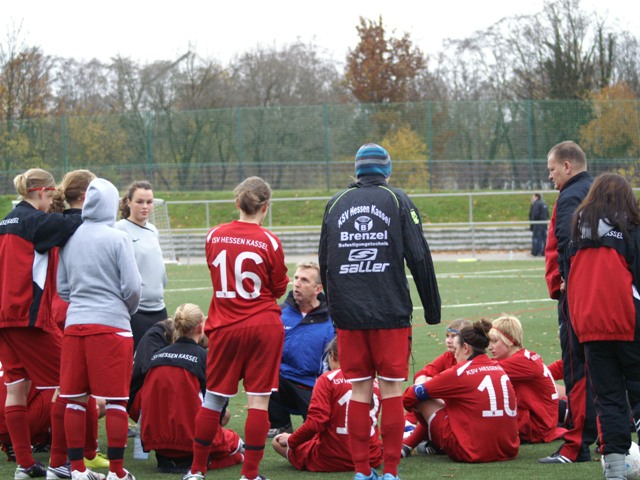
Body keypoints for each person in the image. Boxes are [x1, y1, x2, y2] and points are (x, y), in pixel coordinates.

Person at [318, 143, 441, 480]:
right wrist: (432, 310)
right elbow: (420, 257)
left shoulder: (336, 203)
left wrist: (335, 307)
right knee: (389, 391)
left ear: (357, 170)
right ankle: (389, 472)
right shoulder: (398, 199)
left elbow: (324, 262)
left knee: (358, 391)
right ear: (386, 170)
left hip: (349, 317)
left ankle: (361, 471)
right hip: (390, 313)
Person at [184, 176, 289, 480]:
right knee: (258, 401)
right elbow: (279, 286)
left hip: (225, 326)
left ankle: (196, 471)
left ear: (237, 203)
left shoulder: (214, 235)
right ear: (265, 207)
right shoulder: (269, 241)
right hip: (262, 326)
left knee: (214, 398)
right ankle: (250, 475)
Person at [0, 168, 82, 479]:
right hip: (27, 318)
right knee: (71, 382)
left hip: (4, 318)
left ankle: (25, 463)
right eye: (52, 196)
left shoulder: (5, 220)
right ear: (42, 192)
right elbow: (74, 221)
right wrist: (76, 204)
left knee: (15, 389)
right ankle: (59, 462)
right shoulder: (36, 221)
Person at [57, 178, 141, 480]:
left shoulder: (71, 236)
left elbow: (62, 288)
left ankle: (77, 469)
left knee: (75, 399)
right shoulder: (117, 237)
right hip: (112, 327)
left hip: (76, 326)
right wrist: (123, 310)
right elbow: (132, 287)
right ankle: (117, 472)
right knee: (117, 400)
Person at [566, 172, 640, 479]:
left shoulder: (578, 232)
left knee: (608, 400)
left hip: (590, 328)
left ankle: (614, 471)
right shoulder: (632, 228)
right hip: (628, 323)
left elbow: (570, 282)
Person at [49, 169, 110, 472]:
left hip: (67, 306)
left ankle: (70, 457)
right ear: (86, 196)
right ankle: (71, 457)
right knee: (74, 391)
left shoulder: (64, 224)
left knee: (74, 390)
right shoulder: (76, 224)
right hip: (76, 308)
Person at [540, 140, 596, 464]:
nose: (550, 177)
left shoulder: (570, 196)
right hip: (601, 298)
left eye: (551, 170)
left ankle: (575, 445)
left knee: (576, 369)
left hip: (576, 298)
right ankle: (606, 436)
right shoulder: (600, 191)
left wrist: (564, 283)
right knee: (601, 368)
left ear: (567, 166)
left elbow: (565, 241)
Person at [140, 304, 243, 474]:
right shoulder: (204, 357)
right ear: (200, 327)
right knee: (234, 441)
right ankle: (234, 458)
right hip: (191, 440)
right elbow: (219, 404)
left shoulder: (157, 357)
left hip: (157, 442)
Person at [403, 320, 520, 463]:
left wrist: (422, 386)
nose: (454, 355)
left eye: (456, 349)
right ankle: (410, 444)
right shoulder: (499, 367)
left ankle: (429, 442)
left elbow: (408, 398)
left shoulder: (460, 372)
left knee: (423, 399)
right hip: (509, 449)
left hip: (472, 452)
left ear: (465, 348)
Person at [272, 337, 382, 472]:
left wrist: (291, 440)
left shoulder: (327, 379)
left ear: (332, 355)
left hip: (330, 459)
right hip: (371, 458)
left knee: (277, 442)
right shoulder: (374, 380)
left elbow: (316, 422)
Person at [267, 261, 334, 438]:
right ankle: (280, 424)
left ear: (318, 289)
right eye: (296, 278)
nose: (296, 283)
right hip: (282, 381)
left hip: (313, 386)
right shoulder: (279, 313)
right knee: (263, 373)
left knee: (317, 432)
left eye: (304, 280)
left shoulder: (332, 319)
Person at [488, 315, 566, 443]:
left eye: (494, 341)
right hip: (541, 418)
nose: (490, 346)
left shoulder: (519, 361)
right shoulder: (523, 357)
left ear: (509, 340)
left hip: (536, 426)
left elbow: (479, 371)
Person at [401, 319, 471, 455]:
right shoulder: (448, 357)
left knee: (426, 394)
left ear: (465, 342)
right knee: (424, 389)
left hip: (465, 422)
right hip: (457, 416)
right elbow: (423, 373)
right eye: (447, 336)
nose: (448, 340)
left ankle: (411, 441)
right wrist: (422, 386)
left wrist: (424, 389)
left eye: (453, 336)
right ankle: (411, 428)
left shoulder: (469, 363)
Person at [115, 181, 167, 350]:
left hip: (159, 309)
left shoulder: (153, 230)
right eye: (139, 201)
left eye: (149, 202)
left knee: (159, 364)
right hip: (136, 313)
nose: (145, 206)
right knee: (137, 366)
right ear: (128, 202)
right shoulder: (119, 229)